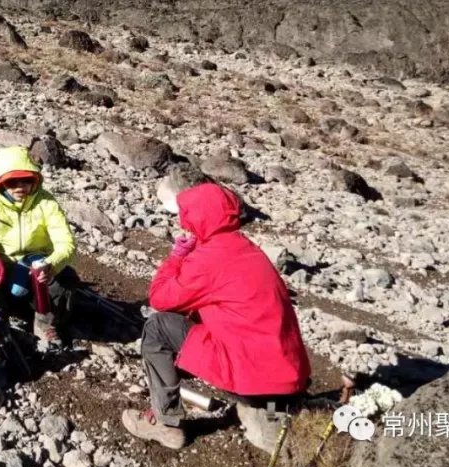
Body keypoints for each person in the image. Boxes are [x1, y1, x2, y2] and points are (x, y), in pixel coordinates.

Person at [122, 181, 311, 450]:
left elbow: (159, 297)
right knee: (194, 317)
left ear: (199, 218)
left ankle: (166, 423)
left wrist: (177, 257)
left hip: (255, 382)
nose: (183, 223)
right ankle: (275, 409)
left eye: (186, 217)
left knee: (158, 327)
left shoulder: (211, 258)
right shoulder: (246, 249)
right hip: (290, 378)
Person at [0, 145, 77, 344]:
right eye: (12, 181)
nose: (20, 186)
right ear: (0, 182)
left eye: (26, 180)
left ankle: (44, 324)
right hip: (4, 269)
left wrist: (52, 264)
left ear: (35, 179)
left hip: (37, 269)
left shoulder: (46, 203)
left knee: (67, 276)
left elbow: (67, 244)